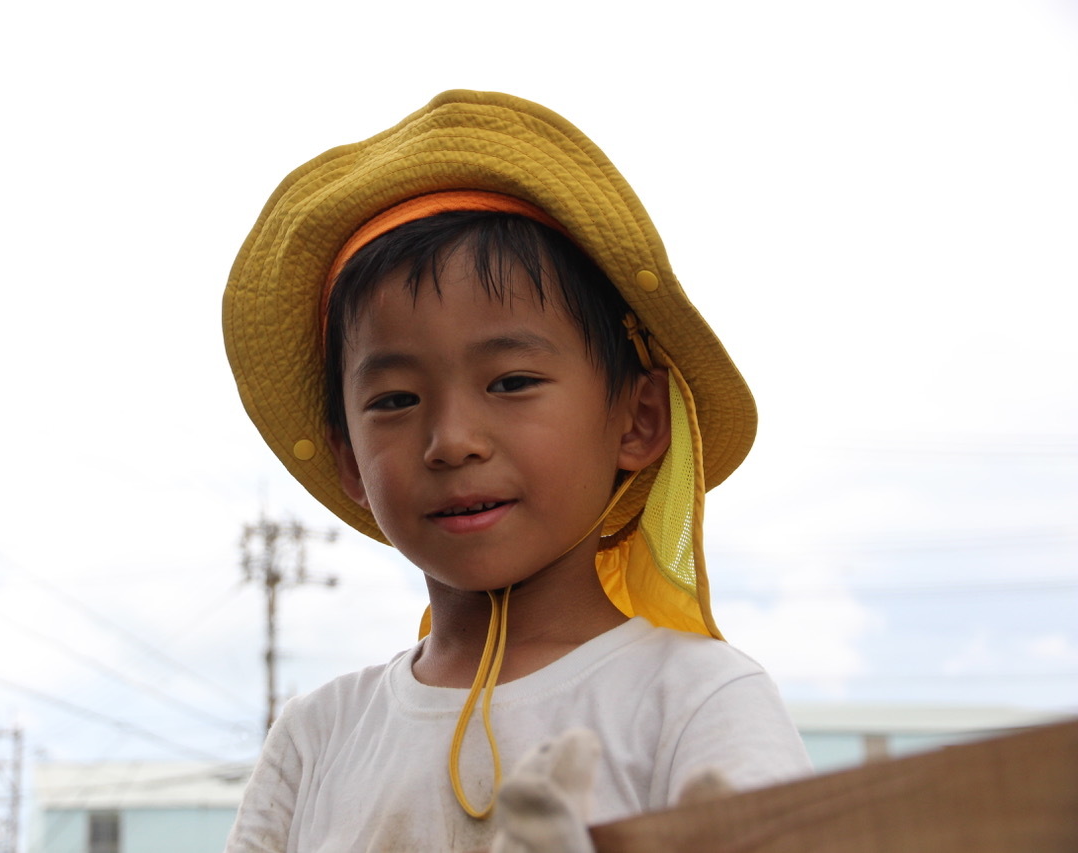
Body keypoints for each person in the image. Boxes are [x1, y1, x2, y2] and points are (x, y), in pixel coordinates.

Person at [221, 90, 811, 852]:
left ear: (638, 422)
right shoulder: (315, 738)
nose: (452, 439)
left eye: (511, 382)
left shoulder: (695, 700)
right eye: (395, 398)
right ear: (350, 464)